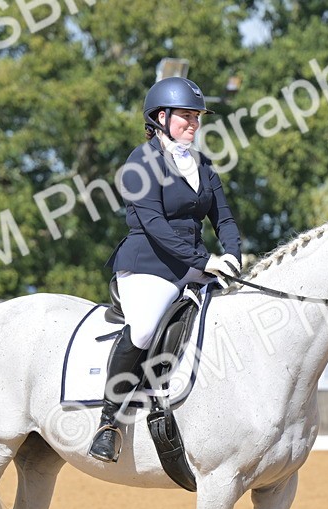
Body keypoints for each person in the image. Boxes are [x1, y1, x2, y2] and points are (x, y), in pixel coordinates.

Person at [88, 76, 243, 463]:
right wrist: (206, 261)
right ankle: (109, 423)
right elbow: (155, 226)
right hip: (148, 265)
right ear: (160, 117)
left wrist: (234, 255)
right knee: (142, 328)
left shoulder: (203, 166)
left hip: (192, 266)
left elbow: (223, 219)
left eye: (196, 116)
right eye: (185, 116)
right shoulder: (140, 163)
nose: (193, 122)